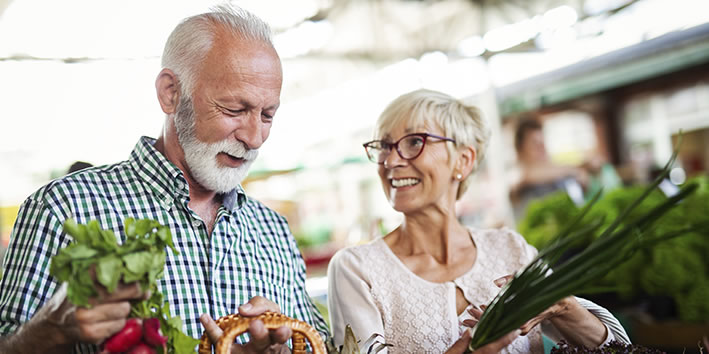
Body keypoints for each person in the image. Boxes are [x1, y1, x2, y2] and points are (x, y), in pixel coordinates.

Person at [0, 5, 328, 353]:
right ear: (171, 93)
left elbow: (320, 342)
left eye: (267, 115)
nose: (254, 137)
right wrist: (50, 330)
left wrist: (284, 348)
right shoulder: (62, 208)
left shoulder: (273, 230)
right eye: (235, 110)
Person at [327, 89, 630, 353]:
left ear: (463, 160)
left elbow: (616, 349)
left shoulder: (511, 249)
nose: (391, 161)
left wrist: (563, 307)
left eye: (414, 142)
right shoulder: (358, 269)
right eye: (384, 146)